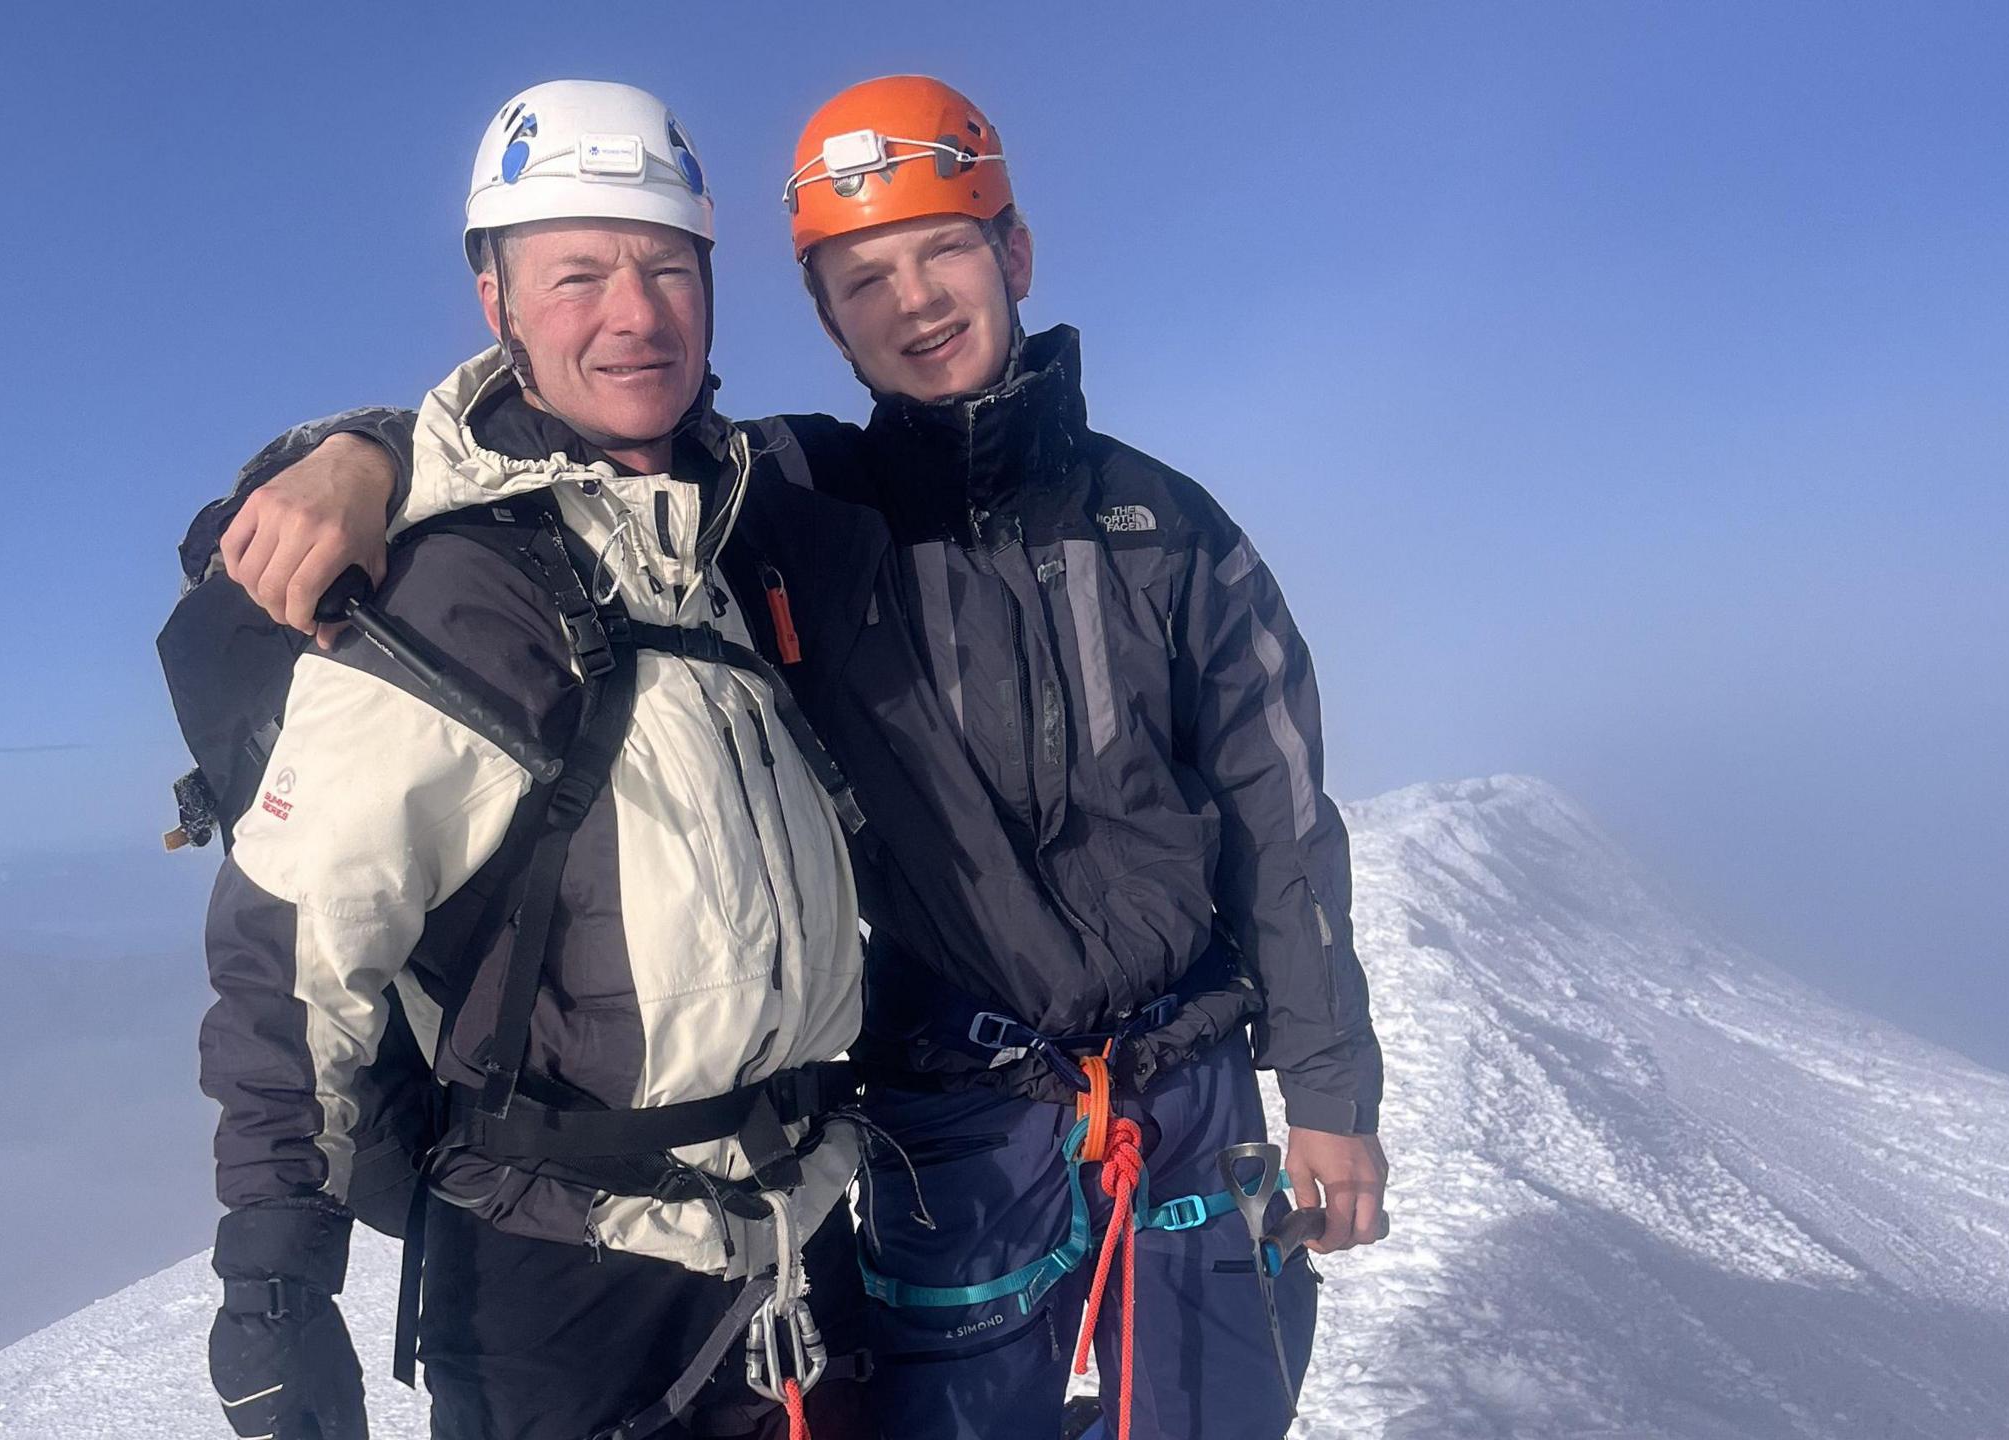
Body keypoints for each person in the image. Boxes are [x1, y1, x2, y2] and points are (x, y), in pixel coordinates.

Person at [201, 75, 1389, 1440]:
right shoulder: (794, 505)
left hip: (1178, 1087)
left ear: (1014, 252)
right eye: (859, 278)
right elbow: (544, 455)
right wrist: (353, 455)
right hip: (954, 1105)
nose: (915, 300)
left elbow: (1278, 820)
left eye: (943, 247)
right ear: (825, 319)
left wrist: (1333, 1093)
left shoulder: (1164, 528)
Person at [189, 80, 881, 1440]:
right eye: (578, 275)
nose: (634, 313)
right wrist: (274, 1280)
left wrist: (369, 445)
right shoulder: (445, 595)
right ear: (497, 302)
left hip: (797, 1242)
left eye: (666, 268)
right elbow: (300, 945)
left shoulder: (732, 540)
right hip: (558, 1295)